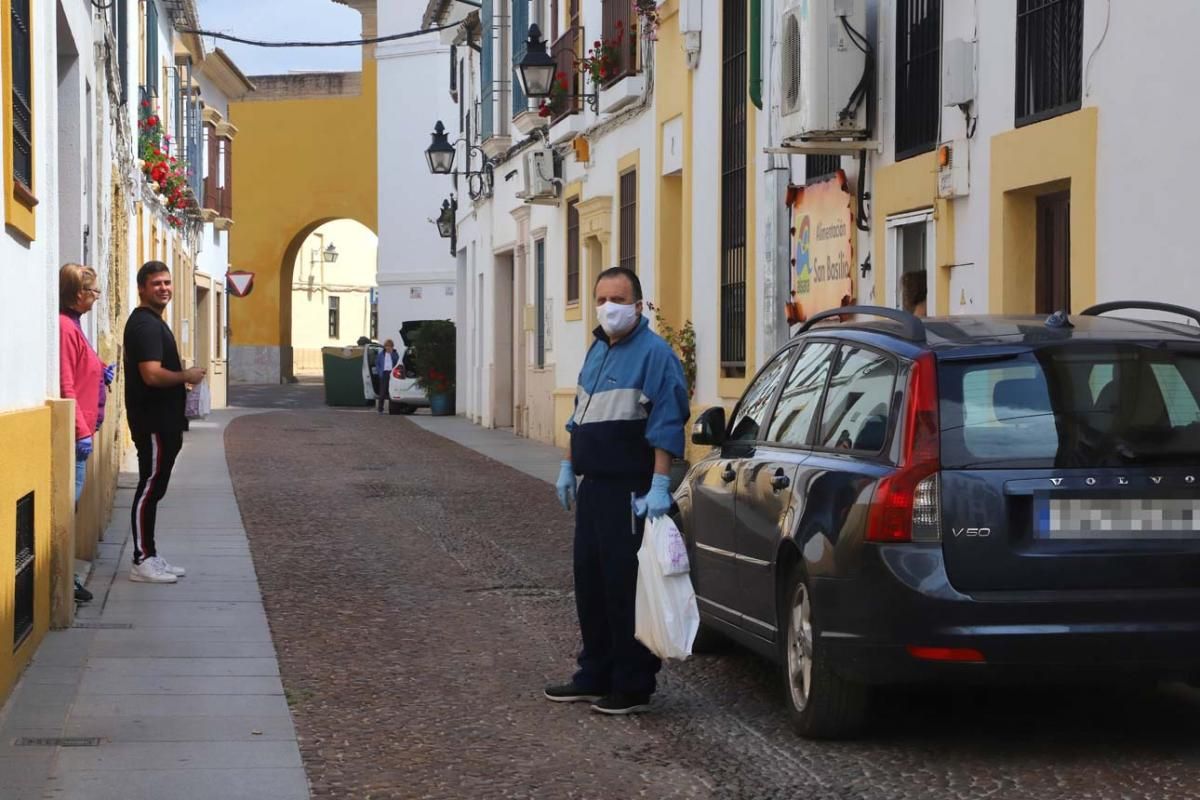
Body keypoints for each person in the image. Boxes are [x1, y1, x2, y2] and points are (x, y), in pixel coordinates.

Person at [545, 266, 691, 716]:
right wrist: (569, 466)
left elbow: (667, 421)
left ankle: (632, 682)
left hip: (631, 491)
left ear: (638, 305)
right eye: (602, 299)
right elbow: (579, 415)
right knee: (589, 583)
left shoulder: (654, 355)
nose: (609, 308)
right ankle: (594, 673)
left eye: (618, 299)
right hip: (593, 489)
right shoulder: (597, 351)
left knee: (624, 587)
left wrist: (660, 485)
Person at [123, 261, 206, 584]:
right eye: (156, 283)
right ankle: (142, 559)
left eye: (168, 282)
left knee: (155, 488)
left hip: (165, 421)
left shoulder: (155, 322)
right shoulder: (145, 325)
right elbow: (152, 374)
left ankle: (151, 554)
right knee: (148, 488)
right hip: (154, 421)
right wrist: (185, 376)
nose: (164, 288)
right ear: (142, 288)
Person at [58, 264, 106, 503]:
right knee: (70, 501)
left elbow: (83, 364)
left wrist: (102, 371)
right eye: (95, 292)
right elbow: (66, 383)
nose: (97, 297)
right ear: (80, 293)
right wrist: (81, 432)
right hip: (79, 434)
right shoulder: (66, 327)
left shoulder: (75, 324)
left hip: (85, 427)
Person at [375, 339, 397, 414]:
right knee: (382, 392)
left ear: (392, 347)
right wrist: (379, 372)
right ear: (384, 347)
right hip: (384, 374)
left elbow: (397, 362)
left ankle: (392, 410)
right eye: (387, 346)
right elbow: (377, 364)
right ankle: (380, 409)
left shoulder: (394, 354)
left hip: (392, 374)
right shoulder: (381, 354)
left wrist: (392, 354)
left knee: (391, 392)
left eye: (390, 346)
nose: (388, 348)